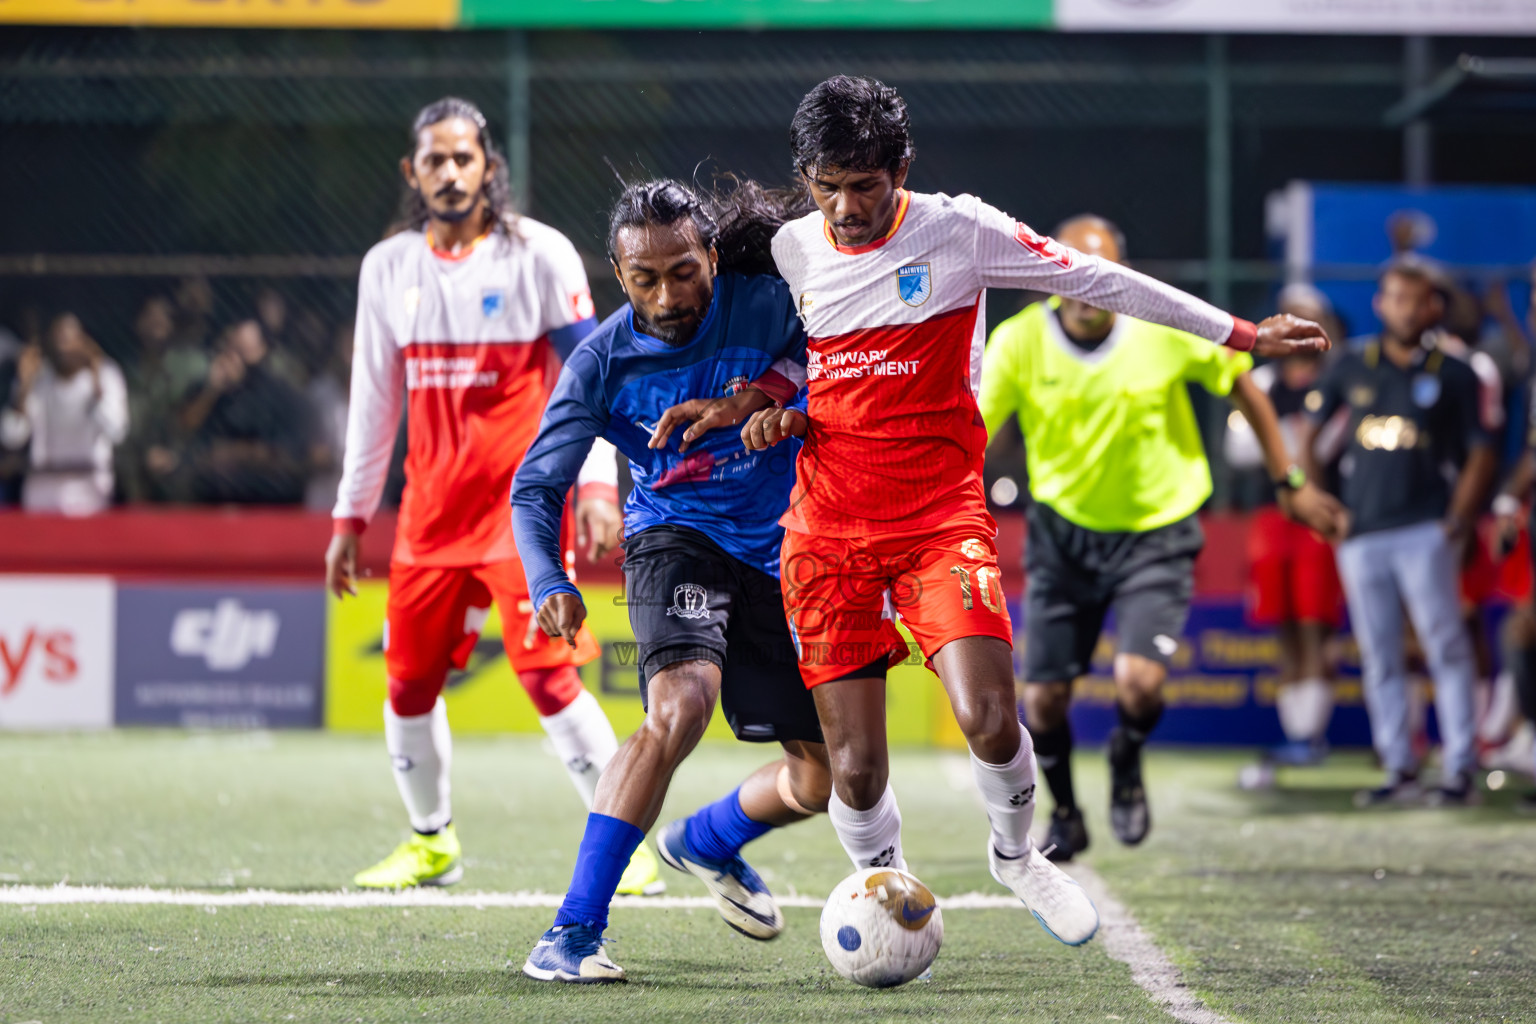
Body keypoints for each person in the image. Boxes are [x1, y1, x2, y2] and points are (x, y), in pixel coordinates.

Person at [733, 76, 1331, 947]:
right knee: (855, 773)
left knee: (989, 715)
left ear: (902, 168)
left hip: (940, 522)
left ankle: (1016, 855)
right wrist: (762, 400)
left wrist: (1238, 334)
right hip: (826, 534)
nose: (848, 205)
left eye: (867, 184)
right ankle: (886, 892)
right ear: (806, 176)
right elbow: (785, 348)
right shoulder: (792, 249)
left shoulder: (959, 230)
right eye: (829, 184)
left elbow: (1100, 278)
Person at [324, 97, 657, 894]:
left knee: (550, 678)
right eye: (433, 160)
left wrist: (598, 486)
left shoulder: (538, 254)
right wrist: (349, 516)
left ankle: (626, 845)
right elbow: (374, 403)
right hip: (428, 520)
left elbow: (594, 381)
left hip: (523, 516)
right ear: (413, 172)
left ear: (487, 167)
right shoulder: (388, 268)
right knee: (406, 685)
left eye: (462, 158)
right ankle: (431, 842)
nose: (449, 172)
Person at [514, 178, 834, 984]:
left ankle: (706, 841)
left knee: (828, 778)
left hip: (781, 550)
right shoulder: (601, 362)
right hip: (673, 537)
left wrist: (768, 392)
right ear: (619, 278)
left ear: (712, 257)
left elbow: (833, 351)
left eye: (683, 271)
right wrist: (548, 576)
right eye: (645, 278)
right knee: (679, 707)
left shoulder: (767, 302)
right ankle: (572, 932)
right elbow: (535, 487)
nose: (667, 293)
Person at [978, 218, 1345, 860]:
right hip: (1064, 532)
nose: (1090, 292)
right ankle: (1066, 812)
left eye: (1103, 279)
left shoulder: (1162, 326)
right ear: (1052, 277)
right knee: (1041, 698)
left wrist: (1288, 479)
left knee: (1140, 684)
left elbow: (1244, 388)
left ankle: (1126, 755)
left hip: (1158, 531)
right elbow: (971, 435)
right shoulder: (1018, 343)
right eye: (1075, 277)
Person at [1297, 258, 1496, 807]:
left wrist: (1457, 517)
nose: (1406, 309)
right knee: (1379, 653)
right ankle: (1398, 766)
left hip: (1426, 527)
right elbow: (1309, 435)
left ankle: (1459, 767)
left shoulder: (1457, 370)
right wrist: (1320, 502)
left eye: (1417, 300)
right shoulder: (1351, 364)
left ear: (1435, 306)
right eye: (1395, 298)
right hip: (1360, 531)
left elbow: (1482, 448)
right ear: (1380, 304)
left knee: (1445, 647)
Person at [1226, 284, 1348, 780]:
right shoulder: (1263, 381)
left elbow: (1334, 447)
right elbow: (1239, 451)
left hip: (1319, 513)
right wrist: (1293, 447)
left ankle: (1310, 735)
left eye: (1311, 319)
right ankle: (1295, 732)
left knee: (1315, 623)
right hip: (1274, 517)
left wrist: (1284, 444)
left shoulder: (1341, 381)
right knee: (1283, 625)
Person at [0, 312, 129, 515]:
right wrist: (24, 387)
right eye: (58, 339)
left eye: (70, 340)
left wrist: (96, 383)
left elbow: (116, 431)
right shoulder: (37, 376)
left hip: (89, 486)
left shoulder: (106, 374)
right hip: (43, 487)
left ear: (84, 342)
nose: (64, 347)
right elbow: (12, 437)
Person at [178, 319, 312, 505]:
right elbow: (185, 428)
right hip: (212, 500)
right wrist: (213, 389)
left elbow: (288, 454)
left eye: (242, 350)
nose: (233, 357)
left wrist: (235, 453)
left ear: (261, 350)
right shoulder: (207, 389)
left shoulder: (281, 394)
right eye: (230, 348)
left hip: (268, 500)